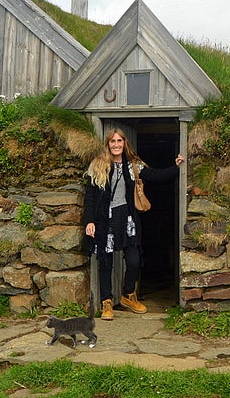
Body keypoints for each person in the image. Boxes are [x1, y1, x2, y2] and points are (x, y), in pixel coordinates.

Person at [82, 128, 184, 320]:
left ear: (124, 143)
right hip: (105, 219)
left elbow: (156, 176)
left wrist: (176, 166)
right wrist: (89, 221)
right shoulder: (97, 165)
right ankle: (107, 303)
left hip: (127, 218)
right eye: (112, 141)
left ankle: (128, 295)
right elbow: (90, 197)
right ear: (107, 144)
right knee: (106, 262)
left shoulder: (133, 166)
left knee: (134, 260)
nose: (116, 145)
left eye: (119, 141)